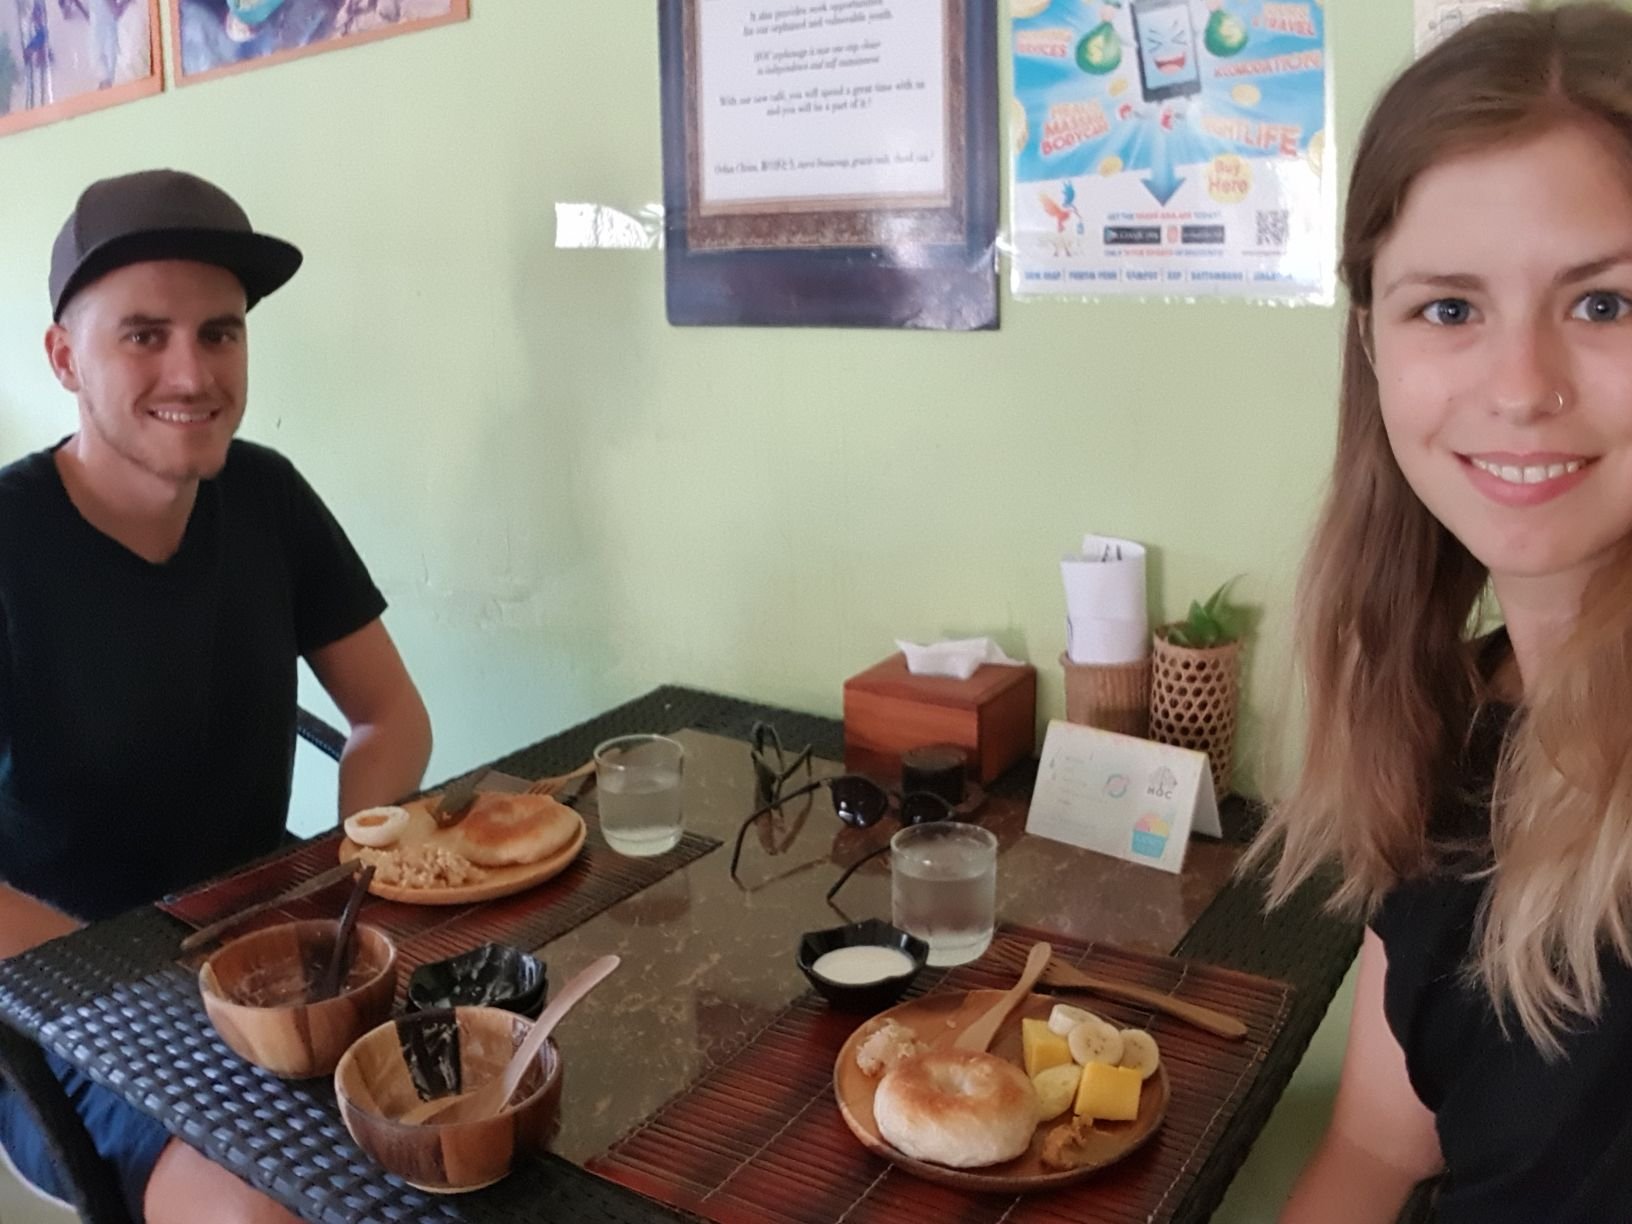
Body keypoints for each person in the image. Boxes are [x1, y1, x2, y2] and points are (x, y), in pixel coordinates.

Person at [1248, 6, 1632, 1223]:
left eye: (1606, 304)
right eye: (1450, 310)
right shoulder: (1450, 717)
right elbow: (1376, 1147)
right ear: (1372, 343)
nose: (1521, 390)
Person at [0, 168, 432, 1221]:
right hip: (61, 1000)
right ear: (65, 357)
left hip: (269, 945)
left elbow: (389, 719)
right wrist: (146, 990)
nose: (192, 372)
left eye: (220, 333)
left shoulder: (267, 494)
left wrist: (349, 882)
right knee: (264, 1211)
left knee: (493, 1089)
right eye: (144, 336)